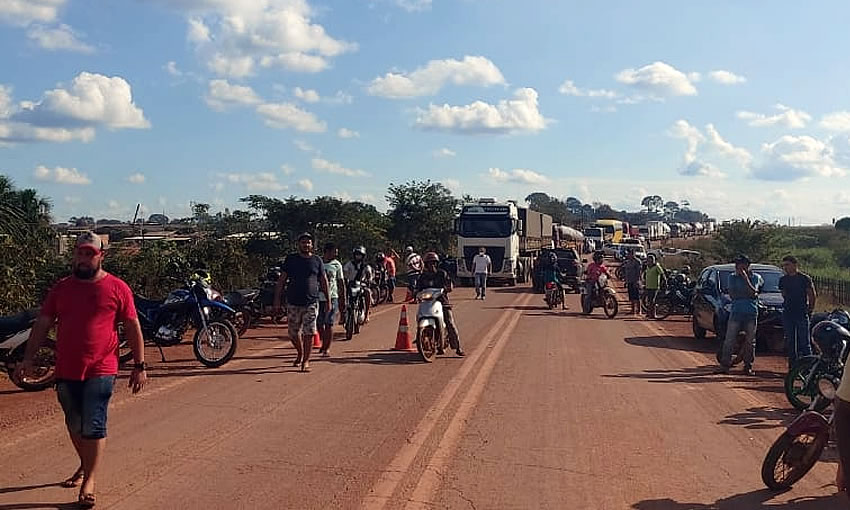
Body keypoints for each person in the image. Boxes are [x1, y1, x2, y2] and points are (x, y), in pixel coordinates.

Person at [16, 231, 147, 509]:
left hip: (102, 367)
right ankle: (85, 463)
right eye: (80, 253)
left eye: (90, 254)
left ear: (101, 256)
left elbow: (132, 326)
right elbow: (43, 323)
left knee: (93, 423)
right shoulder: (61, 288)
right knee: (74, 423)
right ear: (74, 254)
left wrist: (139, 365)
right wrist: (28, 359)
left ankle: (89, 481)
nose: (84, 259)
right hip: (66, 367)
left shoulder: (117, 287)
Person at [274, 232, 330, 373]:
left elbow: (324, 281)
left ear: (312, 245)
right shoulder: (291, 259)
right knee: (293, 333)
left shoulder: (317, 260)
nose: (306, 245)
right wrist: (277, 300)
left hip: (311, 302)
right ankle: (300, 352)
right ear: (298, 244)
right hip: (293, 302)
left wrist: (328, 300)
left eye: (308, 242)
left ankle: (306, 360)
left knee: (309, 332)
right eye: (303, 242)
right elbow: (281, 280)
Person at [715, 255, 763, 376]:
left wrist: (746, 279)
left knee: (750, 341)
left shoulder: (756, 277)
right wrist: (747, 294)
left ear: (747, 265)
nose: (738, 267)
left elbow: (753, 292)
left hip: (751, 312)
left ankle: (748, 366)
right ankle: (725, 365)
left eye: (740, 264)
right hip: (736, 311)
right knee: (729, 339)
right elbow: (733, 295)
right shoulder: (732, 277)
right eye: (737, 265)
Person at [416, 252, 464, 356]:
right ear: (426, 264)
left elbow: (449, 284)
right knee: (419, 317)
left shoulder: (442, 273)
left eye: (433, 263)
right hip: (427, 302)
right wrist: (415, 292)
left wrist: (447, 288)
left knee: (449, 322)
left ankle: (458, 347)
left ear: (437, 264)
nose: (431, 265)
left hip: (442, 301)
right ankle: (421, 337)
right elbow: (418, 288)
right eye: (429, 263)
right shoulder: (423, 276)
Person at [779, 255, 817, 364]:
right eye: (784, 265)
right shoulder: (783, 280)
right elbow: (784, 294)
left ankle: (808, 366)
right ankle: (793, 366)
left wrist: (810, 310)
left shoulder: (804, 279)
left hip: (801, 312)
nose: (785, 268)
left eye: (788, 265)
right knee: (790, 341)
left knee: (804, 342)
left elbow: (812, 295)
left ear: (795, 265)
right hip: (788, 313)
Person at [317, 242, 345, 358]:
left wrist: (343, 297)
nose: (336, 254)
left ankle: (326, 347)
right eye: (334, 252)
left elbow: (340, 282)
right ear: (327, 252)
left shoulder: (337, 265)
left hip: (332, 297)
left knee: (328, 323)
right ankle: (324, 341)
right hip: (317, 297)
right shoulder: (318, 262)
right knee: (318, 323)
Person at [344, 246, 374, 323]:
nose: (358, 256)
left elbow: (369, 275)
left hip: (361, 285)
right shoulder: (349, 264)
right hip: (350, 285)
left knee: (367, 292)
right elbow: (345, 273)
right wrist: (345, 280)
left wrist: (369, 281)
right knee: (342, 294)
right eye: (357, 254)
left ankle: (366, 314)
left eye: (360, 255)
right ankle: (343, 313)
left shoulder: (366, 266)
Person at [643, 254, 666, 319]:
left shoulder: (657, 267)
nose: (649, 262)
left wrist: (664, 282)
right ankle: (649, 313)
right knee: (648, 301)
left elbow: (662, 275)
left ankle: (653, 314)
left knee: (652, 301)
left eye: (651, 260)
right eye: (648, 260)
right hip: (648, 286)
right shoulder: (647, 267)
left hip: (655, 286)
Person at [621, 250, 643, 316]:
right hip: (629, 281)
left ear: (633, 254)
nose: (629, 255)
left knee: (637, 297)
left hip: (635, 281)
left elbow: (639, 272)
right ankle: (633, 310)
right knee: (631, 297)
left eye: (630, 254)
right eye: (628, 254)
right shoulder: (628, 262)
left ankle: (639, 310)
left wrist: (637, 281)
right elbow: (626, 272)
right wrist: (626, 281)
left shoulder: (637, 262)